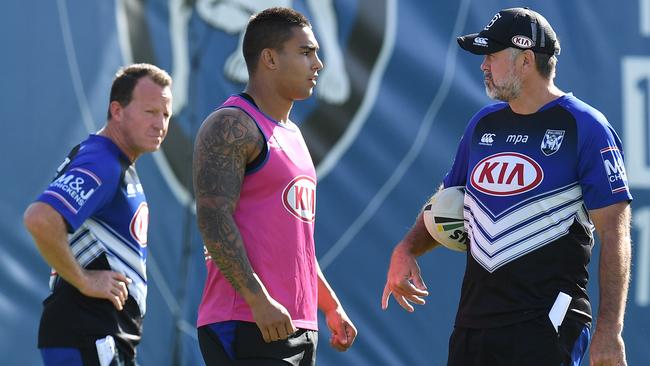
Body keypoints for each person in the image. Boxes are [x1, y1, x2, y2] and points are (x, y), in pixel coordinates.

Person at [382, 7, 631, 366]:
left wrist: (610, 329)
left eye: (492, 55)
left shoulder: (586, 126)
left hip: (548, 325)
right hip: (473, 326)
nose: (483, 65)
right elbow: (447, 200)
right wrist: (406, 248)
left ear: (526, 60)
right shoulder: (483, 124)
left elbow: (616, 233)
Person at [193, 7, 357, 365]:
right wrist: (257, 299)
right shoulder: (231, 124)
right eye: (305, 52)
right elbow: (212, 220)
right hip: (249, 321)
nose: (319, 63)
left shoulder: (293, 134)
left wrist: (329, 305)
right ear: (268, 58)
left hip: (296, 324)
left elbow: (294, 242)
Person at [23, 63, 173, 366]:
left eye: (166, 114)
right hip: (89, 333)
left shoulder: (114, 161)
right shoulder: (102, 162)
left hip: (99, 334)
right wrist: (84, 280)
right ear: (117, 111)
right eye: (150, 112)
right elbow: (40, 218)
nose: (160, 124)